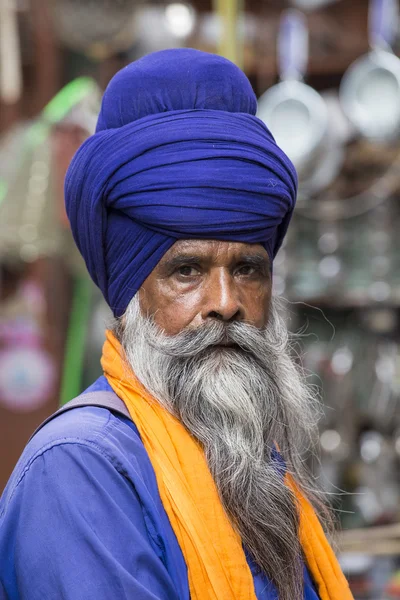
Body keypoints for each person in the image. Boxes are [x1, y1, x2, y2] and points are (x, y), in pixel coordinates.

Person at [0, 49, 353, 600]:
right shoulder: (81, 470)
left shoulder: (252, 464)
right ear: (131, 291)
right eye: (186, 270)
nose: (225, 303)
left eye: (248, 269)